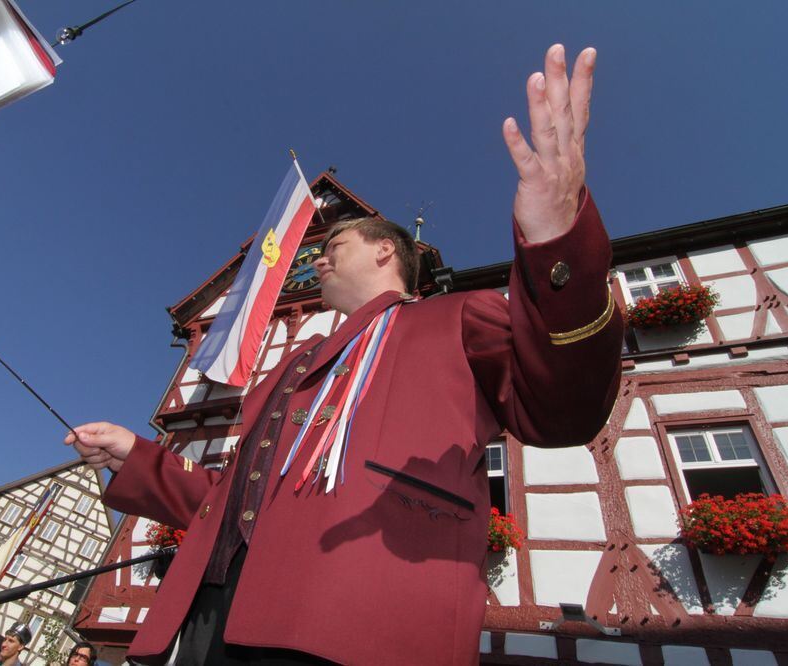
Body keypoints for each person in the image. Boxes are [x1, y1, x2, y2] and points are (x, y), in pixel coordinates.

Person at [66, 43, 623, 665]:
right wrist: (136, 459)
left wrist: (557, 239)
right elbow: (226, 502)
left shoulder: (454, 316)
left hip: (357, 613)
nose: (317, 256)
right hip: (208, 619)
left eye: (336, 242)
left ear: (388, 252)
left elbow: (566, 410)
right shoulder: (291, 365)